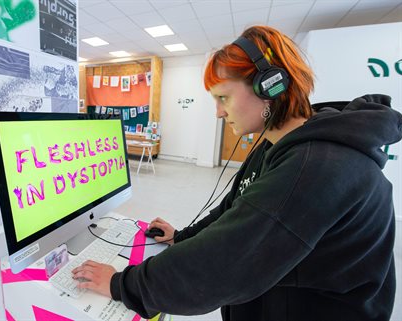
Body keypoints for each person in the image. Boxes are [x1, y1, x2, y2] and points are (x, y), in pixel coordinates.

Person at [72, 25, 400, 320]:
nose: (218, 112)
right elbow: (234, 209)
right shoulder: (279, 146)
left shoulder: (314, 167)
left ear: (270, 87)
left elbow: (217, 265)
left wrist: (119, 284)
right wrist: (182, 236)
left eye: (223, 97)